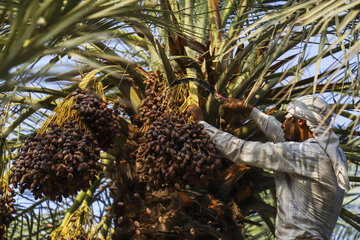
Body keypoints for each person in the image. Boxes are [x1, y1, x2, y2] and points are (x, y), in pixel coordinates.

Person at [187, 95, 351, 240]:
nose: (282, 124)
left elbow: (241, 150)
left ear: (301, 121)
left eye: (288, 118)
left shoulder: (307, 154)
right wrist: (249, 110)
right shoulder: (330, 153)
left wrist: (202, 125)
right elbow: (282, 136)